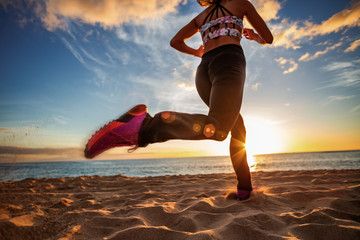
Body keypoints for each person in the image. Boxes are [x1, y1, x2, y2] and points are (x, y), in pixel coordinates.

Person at [85, 0, 273, 200]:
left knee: (238, 127)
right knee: (218, 129)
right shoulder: (240, 3)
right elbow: (268, 38)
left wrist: (196, 52)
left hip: (204, 70)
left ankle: (244, 189)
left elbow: (175, 41)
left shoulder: (201, 17)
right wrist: (254, 37)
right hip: (228, 62)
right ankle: (144, 128)